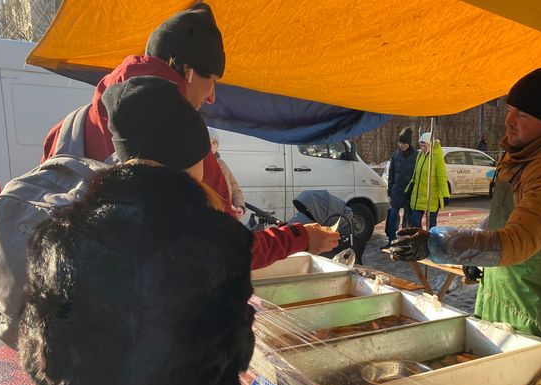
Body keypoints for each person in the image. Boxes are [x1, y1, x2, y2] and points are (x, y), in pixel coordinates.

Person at [19, 76, 256, 385]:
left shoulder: (58, 241)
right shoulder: (221, 242)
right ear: (188, 159)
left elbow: (39, 362)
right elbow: (239, 352)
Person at [39, 3, 337, 269]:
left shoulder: (66, 129)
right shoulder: (181, 141)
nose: (211, 97)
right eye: (213, 80)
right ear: (190, 71)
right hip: (145, 320)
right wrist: (300, 237)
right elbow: (230, 249)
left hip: (66, 306)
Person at [390, 67, 541, 346]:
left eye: (523, 115)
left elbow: (518, 241)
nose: (510, 121)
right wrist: (473, 253)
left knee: (523, 372)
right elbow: (502, 218)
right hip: (503, 280)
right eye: (511, 109)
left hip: (537, 295)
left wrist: (436, 244)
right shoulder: (524, 153)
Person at [406, 132, 450, 230]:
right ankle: (419, 241)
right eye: (420, 145)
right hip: (418, 197)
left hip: (432, 198)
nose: (422, 148)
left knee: (431, 226)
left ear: (431, 144)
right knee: (414, 223)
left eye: (424, 146)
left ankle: (430, 242)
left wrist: (445, 195)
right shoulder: (420, 155)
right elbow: (415, 174)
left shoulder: (437, 158)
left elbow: (442, 178)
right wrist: (409, 188)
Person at [383, 127, 417, 248]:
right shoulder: (395, 155)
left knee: (407, 219)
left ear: (409, 143)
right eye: (400, 143)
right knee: (392, 216)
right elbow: (391, 173)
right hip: (397, 191)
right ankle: (391, 240)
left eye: (405, 143)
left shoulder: (416, 156)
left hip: (409, 192)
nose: (402, 145)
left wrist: (414, 190)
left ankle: (406, 241)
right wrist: (390, 189)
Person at [209, 127, 246, 217]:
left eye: (214, 142)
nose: (211, 146)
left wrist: (239, 206)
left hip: (227, 217)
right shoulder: (198, 167)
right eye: (208, 142)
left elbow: (235, 189)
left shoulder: (222, 164)